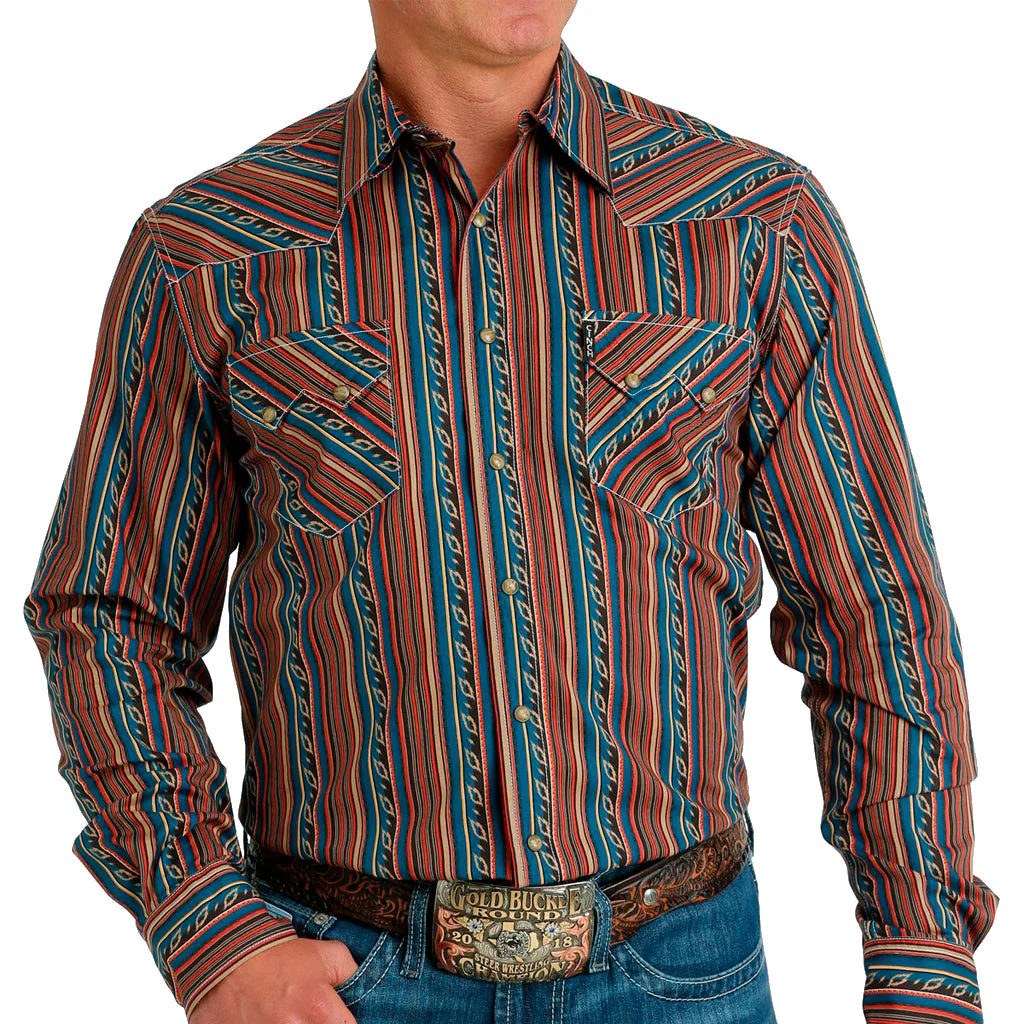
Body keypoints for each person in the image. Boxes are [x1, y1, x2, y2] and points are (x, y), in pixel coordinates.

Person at [22, 1, 999, 1022]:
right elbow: (109, 614)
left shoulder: (752, 222)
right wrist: (209, 932)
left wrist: (921, 956)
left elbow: (872, 603)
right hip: (349, 984)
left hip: (682, 976)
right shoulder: (208, 255)